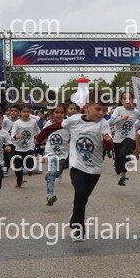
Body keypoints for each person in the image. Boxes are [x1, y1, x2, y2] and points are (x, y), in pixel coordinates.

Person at [36, 90, 112, 242]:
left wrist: (107, 141)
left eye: (104, 110)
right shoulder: (74, 120)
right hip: (77, 164)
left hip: (95, 167)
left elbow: (109, 147)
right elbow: (55, 127)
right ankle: (79, 228)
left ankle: (75, 215)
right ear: (87, 107)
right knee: (81, 191)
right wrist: (39, 138)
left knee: (83, 197)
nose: (101, 113)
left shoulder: (103, 124)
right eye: (98, 109)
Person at [108, 90, 140, 186]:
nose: (127, 100)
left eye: (129, 98)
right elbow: (110, 122)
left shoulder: (136, 112)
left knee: (124, 153)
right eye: (124, 98)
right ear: (121, 101)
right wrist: (120, 118)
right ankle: (117, 164)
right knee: (118, 157)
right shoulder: (118, 110)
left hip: (129, 137)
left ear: (132, 100)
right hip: (118, 138)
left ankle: (123, 176)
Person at [41, 104, 70, 206]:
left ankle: (51, 174)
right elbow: (44, 134)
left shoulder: (67, 124)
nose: (59, 114)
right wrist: (40, 141)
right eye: (57, 112)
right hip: (51, 152)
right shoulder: (48, 123)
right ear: (52, 113)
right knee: (52, 172)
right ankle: (49, 195)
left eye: (62, 112)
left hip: (63, 154)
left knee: (57, 173)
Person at [10, 104, 39, 188]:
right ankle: (19, 181)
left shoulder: (33, 122)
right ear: (20, 113)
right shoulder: (16, 123)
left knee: (29, 162)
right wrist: (16, 136)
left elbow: (38, 131)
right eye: (24, 112)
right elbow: (12, 135)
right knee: (17, 167)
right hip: (18, 148)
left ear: (30, 112)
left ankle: (30, 169)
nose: (26, 113)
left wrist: (38, 139)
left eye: (28, 111)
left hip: (29, 146)